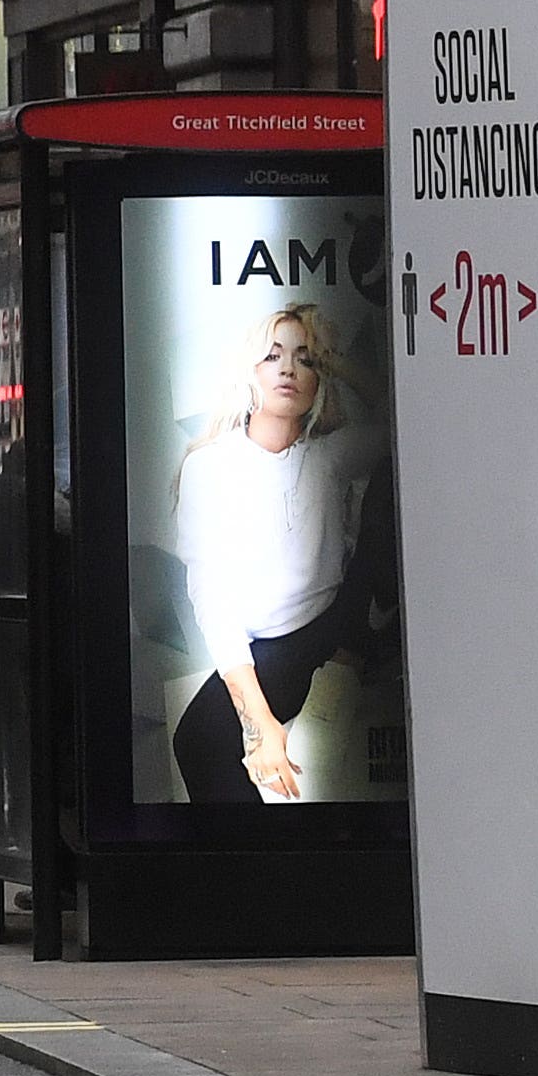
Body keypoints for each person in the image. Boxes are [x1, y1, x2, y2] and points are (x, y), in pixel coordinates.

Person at [169, 297, 381, 805]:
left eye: (305, 359)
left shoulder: (329, 458)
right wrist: (261, 724)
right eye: (273, 355)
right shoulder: (211, 466)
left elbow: (400, 422)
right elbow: (212, 600)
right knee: (197, 741)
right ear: (251, 373)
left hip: (327, 620)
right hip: (266, 643)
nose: (288, 368)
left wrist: (338, 361)